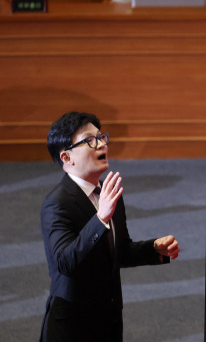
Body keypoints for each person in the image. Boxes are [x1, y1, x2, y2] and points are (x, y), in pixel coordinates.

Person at [39, 111, 180, 342]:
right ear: (66, 158)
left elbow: (118, 252)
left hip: (109, 319)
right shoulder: (56, 204)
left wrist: (153, 249)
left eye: (102, 137)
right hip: (73, 327)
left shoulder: (107, 193)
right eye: (90, 140)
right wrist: (100, 218)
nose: (101, 144)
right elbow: (65, 263)